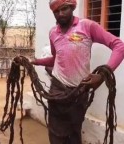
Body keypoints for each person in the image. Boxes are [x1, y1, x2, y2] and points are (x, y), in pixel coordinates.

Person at [30, 0, 124, 144]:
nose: (60, 13)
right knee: (55, 133)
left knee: (74, 132)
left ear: (72, 7)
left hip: (79, 92)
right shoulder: (53, 33)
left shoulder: (87, 26)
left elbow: (119, 46)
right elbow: (57, 59)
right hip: (57, 90)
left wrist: (103, 75)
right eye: (56, 11)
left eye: (65, 8)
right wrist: (37, 61)